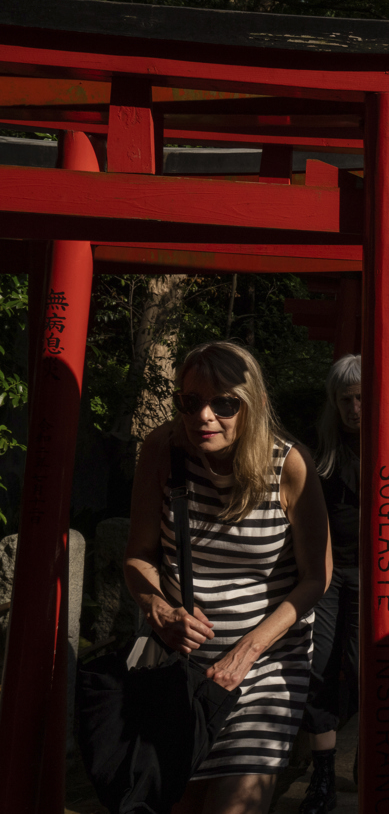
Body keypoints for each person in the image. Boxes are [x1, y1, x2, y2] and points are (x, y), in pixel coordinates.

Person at [124, 341, 331, 814]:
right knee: (183, 801)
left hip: (266, 663)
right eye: (191, 401)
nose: (205, 416)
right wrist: (158, 609)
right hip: (182, 667)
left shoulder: (289, 464)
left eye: (224, 403)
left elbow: (316, 577)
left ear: (253, 404)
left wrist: (249, 649)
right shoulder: (162, 450)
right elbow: (138, 555)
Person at [298, 354, 362, 813]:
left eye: (362, 398)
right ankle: (322, 774)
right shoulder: (320, 444)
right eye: (346, 399)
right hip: (326, 569)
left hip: (377, 570)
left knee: (363, 668)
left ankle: (370, 753)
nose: (354, 408)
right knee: (318, 665)